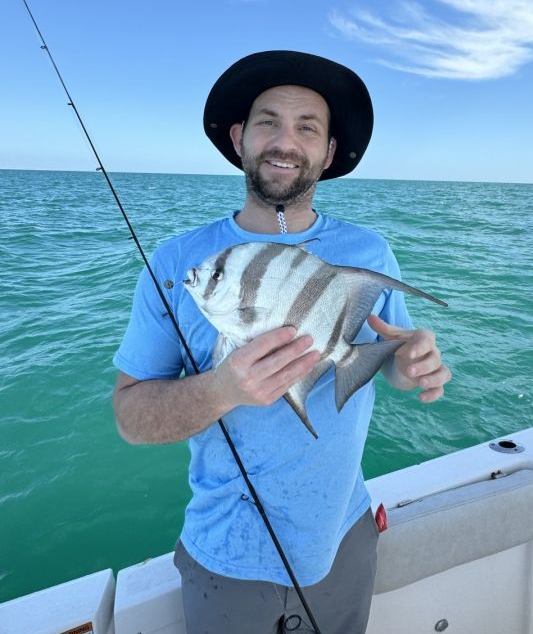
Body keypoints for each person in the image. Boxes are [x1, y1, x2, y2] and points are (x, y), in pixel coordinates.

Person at [113, 50, 451, 634]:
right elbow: (130, 419)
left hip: (346, 537)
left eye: (307, 127)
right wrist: (223, 389)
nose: (285, 141)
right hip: (227, 556)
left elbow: (386, 361)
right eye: (268, 121)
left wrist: (411, 364)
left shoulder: (369, 253)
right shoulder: (173, 264)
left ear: (328, 151)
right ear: (240, 137)